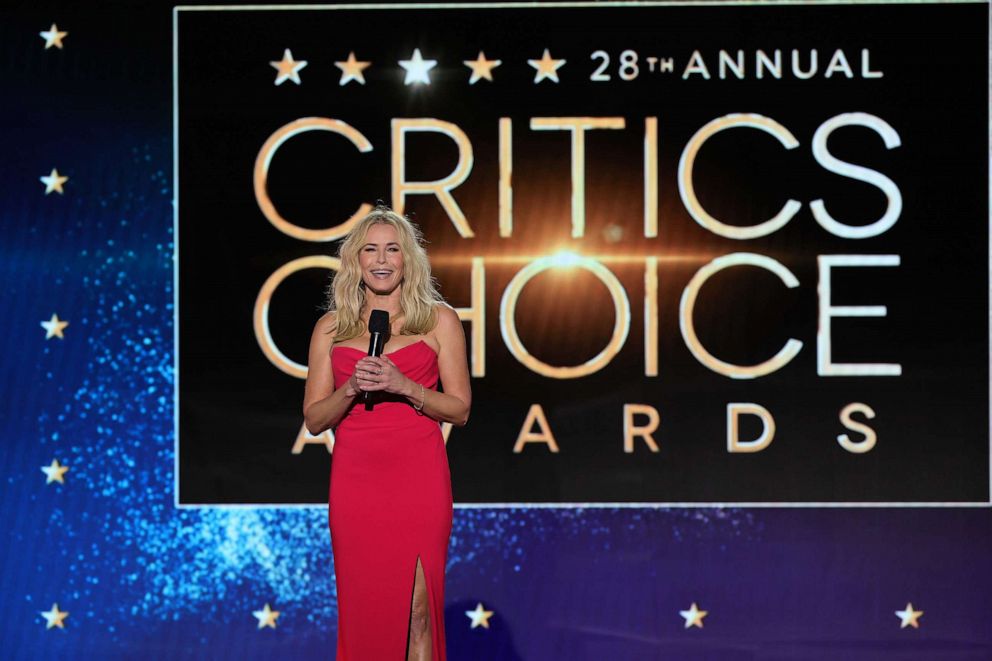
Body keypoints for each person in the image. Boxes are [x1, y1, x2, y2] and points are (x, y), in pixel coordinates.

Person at [303, 205, 471, 661]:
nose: (381, 259)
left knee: (418, 612)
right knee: (365, 613)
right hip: (357, 483)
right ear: (355, 261)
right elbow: (315, 419)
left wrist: (405, 386)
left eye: (392, 249)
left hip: (419, 479)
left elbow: (459, 409)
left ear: (407, 259)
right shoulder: (331, 329)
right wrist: (352, 388)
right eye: (370, 250)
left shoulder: (439, 322)